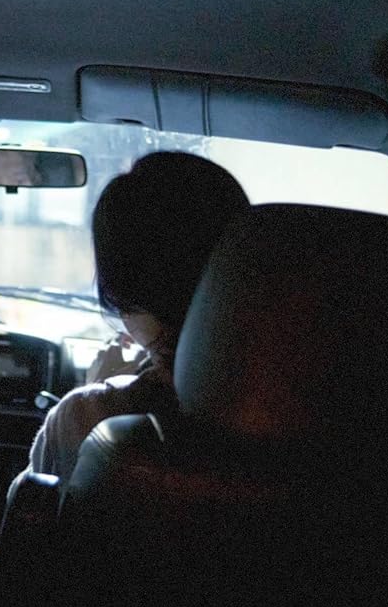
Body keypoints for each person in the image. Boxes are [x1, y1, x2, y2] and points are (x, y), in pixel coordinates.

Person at [25, 151, 251, 487]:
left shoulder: (87, 416)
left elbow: (31, 513)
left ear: (122, 286)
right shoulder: (319, 409)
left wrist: (98, 395)